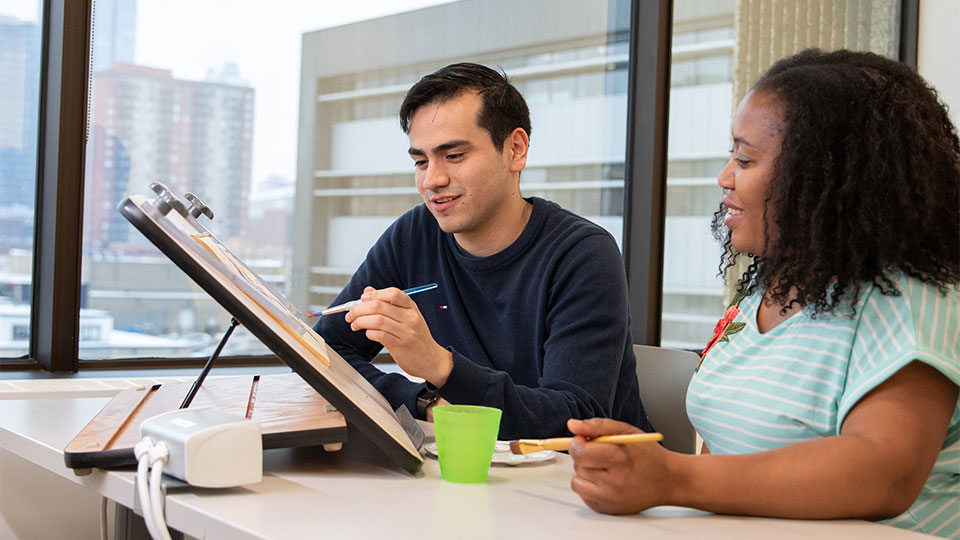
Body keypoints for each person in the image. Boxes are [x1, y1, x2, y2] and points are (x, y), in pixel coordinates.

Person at [567, 48, 960, 538]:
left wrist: (671, 476)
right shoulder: (761, 296)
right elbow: (723, 451)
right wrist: (649, 472)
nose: (725, 177)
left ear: (824, 178)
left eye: (745, 158)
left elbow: (884, 471)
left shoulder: (912, 295)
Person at [314, 62, 650, 439]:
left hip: (584, 481)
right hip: (468, 469)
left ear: (515, 150)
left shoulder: (583, 254)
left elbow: (575, 419)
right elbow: (326, 351)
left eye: (454, 156)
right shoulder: (415, 234)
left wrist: (440, 365)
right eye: (421, 161)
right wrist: (422, 401)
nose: (433, 180)